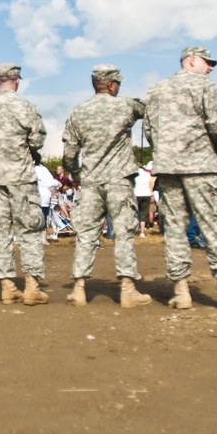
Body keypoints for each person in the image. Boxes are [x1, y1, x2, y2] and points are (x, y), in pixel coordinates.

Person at [144, 46, 217, 310]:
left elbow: (149, 130)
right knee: (213, 226)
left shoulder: (156, 90)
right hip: (202, 166)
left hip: (168, 168)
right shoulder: (205, 86)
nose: (210, 68)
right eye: (208, 63)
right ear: (193, 61)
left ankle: (181, 292)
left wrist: (166, 152)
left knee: (175, 230)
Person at [62, 64, 150, 307]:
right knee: (123, 234)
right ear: (112, 85)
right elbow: (149, 109)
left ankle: (79, 289)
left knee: (87, 235)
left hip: (91, 181)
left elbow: (69, 155)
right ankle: (128, 288)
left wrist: (77, 174)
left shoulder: (78, 111)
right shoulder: (125, 106)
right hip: (118, 180)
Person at [0, 63, 48, 305]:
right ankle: (32, 286)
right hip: (21, 177)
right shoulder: (25, 106)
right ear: (16, 80)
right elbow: (37, 140)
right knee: (29, 230)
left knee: (1, 231)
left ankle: (7, 285)